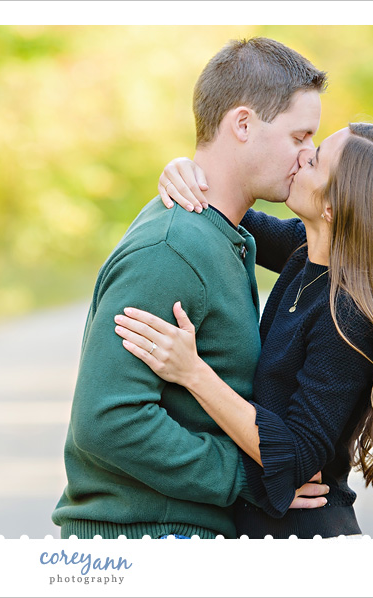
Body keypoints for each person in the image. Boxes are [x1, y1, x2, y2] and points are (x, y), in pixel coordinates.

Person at [51, 37, 331, 540]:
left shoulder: (229, 235)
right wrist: (249, 475)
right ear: (242, 125)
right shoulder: (172, 249)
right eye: (299, 137)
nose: (308, 156)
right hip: (145, 540)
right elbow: (108, 421)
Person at [113, 122, 373, 538]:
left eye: (316, 159)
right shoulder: (306, 251)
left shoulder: (349, 319)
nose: (303, 156)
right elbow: (227, 208)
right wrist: (185, 171)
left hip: (304, 537)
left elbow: (296, 455)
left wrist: (192, 373)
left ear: (332, 207)